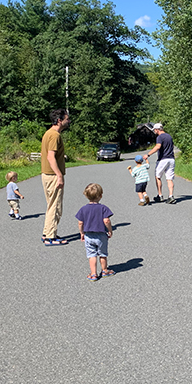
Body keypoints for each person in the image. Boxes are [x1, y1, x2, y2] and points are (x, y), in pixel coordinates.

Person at [41, 109, 70, 246]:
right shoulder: (54, 135)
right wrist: (59, 175)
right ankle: (50, 238)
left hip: (46, 174)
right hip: (52, 175)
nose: (68, 121)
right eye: (67, 119)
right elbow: (50, 157)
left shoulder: (48, 133)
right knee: (55, 207)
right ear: (59, 120)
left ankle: (47, 233)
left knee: (51, 205)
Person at [75, 183, 115, 281]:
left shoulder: (83, 209)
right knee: (102, 253)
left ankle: (93, 274)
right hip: (101, 235)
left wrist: (82, 233)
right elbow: (106, 220)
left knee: (91, 254)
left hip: (89, 235)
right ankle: (104, 270)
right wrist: (110, 230)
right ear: (101, 195)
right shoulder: (103, 208)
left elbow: (80, 223)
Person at [144, 123, 176, 204]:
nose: (154, 131)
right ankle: (170, 196)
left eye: (154, 130)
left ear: (157, 129)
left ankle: (160, 195)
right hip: (171, 159)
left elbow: (158, 146)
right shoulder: (169, 136)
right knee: (169, 178)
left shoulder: (160, 137)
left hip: (163, 159)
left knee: (158, 176)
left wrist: (148, 154)